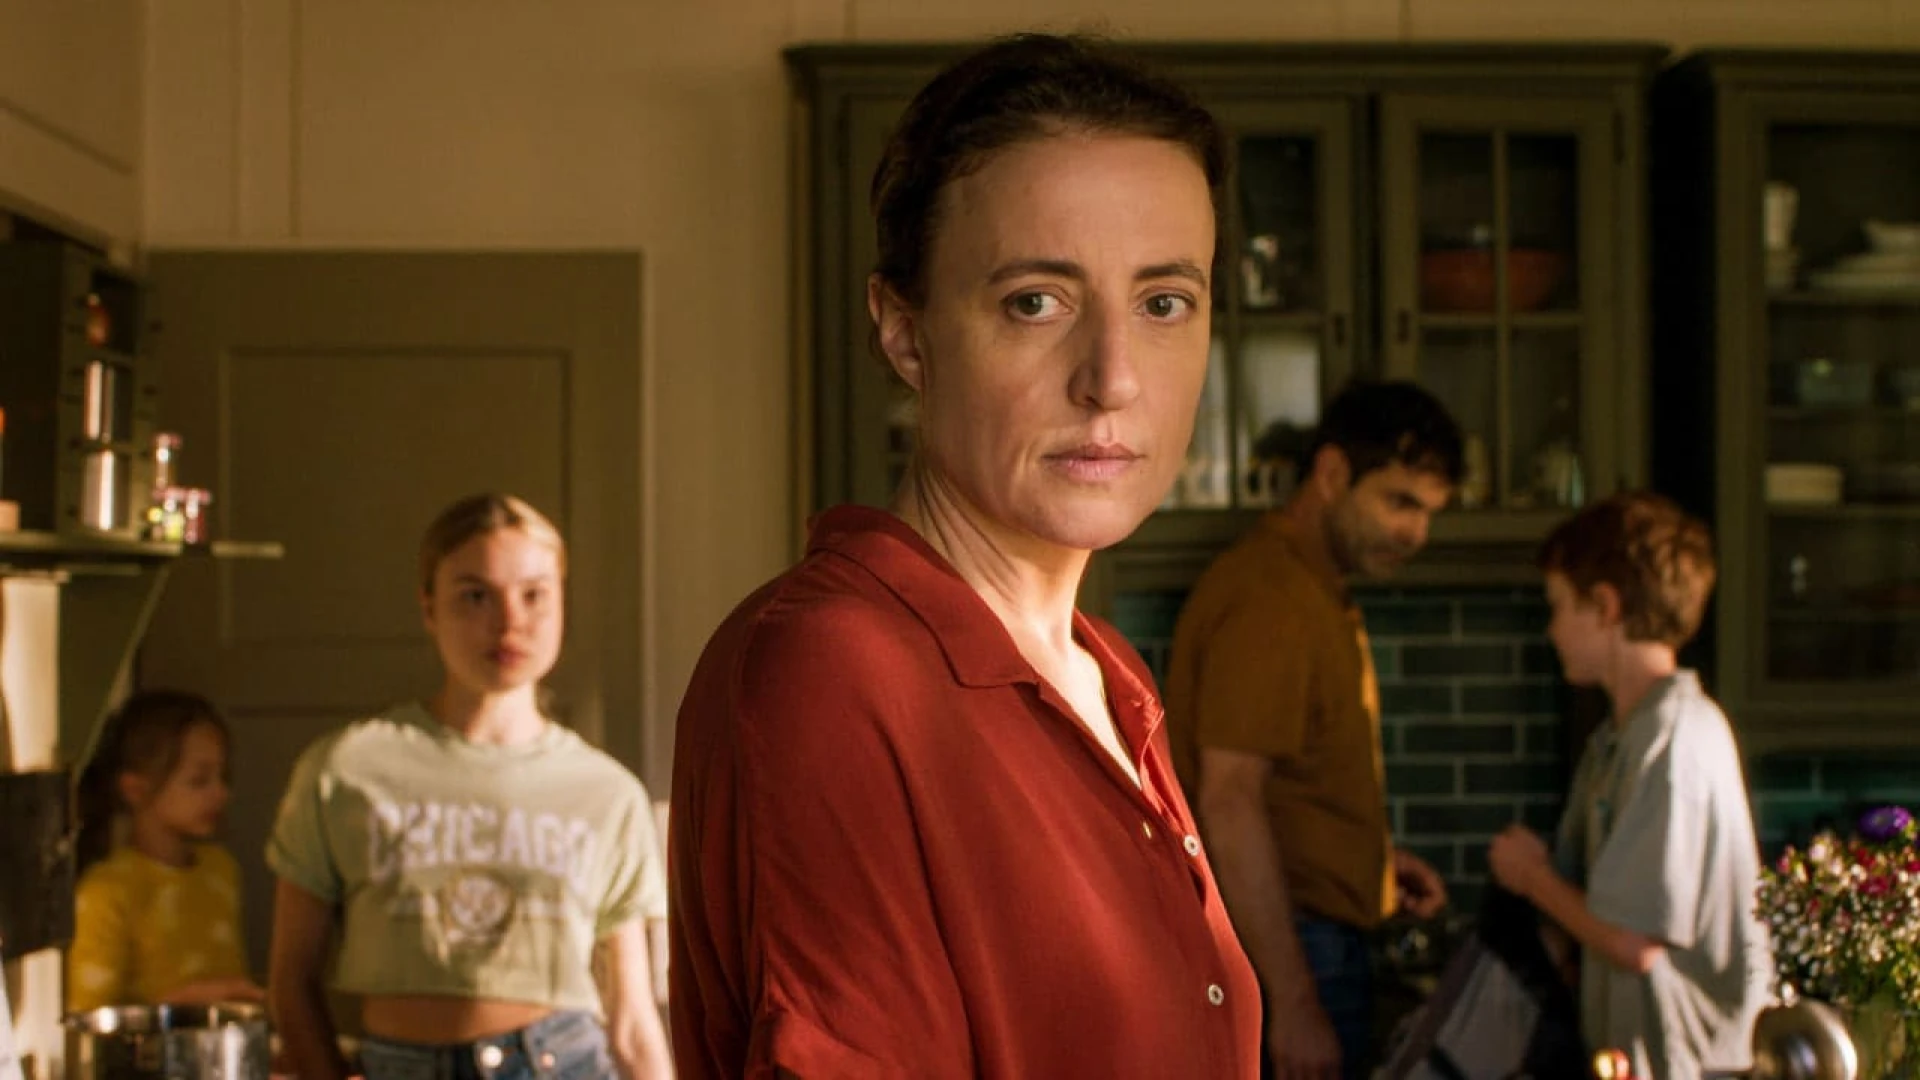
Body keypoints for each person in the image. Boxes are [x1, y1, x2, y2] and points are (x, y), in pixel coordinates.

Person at [669, 32, 1259, 1080]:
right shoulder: (834, 671)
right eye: (1037, 301)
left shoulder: (1105, 672)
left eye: (1163, 302)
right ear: (905, 332)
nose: (1113, 378)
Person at [266, 493, 672, 1080]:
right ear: (428, 606)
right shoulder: (346, 770)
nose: (509, 622)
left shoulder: (608, 794)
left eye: (534, 594)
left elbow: (631, 1019)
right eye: (475, 596)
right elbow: (290, 981)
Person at [1164, 379, 1463, 1080]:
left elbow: (1286, 785)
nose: (1416, 534)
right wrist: (1295, 1002)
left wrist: (1364, 863)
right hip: (1299, 954)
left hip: (1316, 936)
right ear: (1331, 473)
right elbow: (1229, 801)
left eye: (1429, 513)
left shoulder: (1311, 586)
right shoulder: (1272, 598)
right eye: (1400, 502)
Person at [1487, 491, 1771, 1078]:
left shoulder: (1675, 739)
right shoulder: (1617, 740)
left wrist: (1529, 876)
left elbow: (1633, 942)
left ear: (1605, 606)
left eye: (1559, 606)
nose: (1552, 630)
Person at [66, 690, 262, 1013]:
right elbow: (88, 1017)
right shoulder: (105, 893)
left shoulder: (221, 870)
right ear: (135, 789)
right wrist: (188, 1005)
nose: (220, 793)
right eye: (199, 780)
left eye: (223, 777)